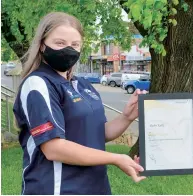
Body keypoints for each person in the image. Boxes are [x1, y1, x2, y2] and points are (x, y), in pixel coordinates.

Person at [13, 12, 146, 195]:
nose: (68, 50)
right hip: (58, 189)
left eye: (75, 45)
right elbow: (53, 148)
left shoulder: (82, 85)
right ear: (42, 45)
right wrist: (115, 158)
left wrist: (127, 117)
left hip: (96, 188)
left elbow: (98, 133)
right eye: (60, 43)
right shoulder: (38, 84)